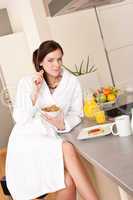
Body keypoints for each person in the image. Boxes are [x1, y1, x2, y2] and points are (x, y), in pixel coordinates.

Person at [6, 40, 99, 200]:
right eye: (50, 60)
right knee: (67, 148)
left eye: (59, 59)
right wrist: (35, 92)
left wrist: (63, 124)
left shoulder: (72, 82)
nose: (56, 64)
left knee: (67, 181)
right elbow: (20, 118)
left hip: (51, 136)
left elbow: (77, 113)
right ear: (40, 62)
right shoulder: (27, 82)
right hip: (27, 140)